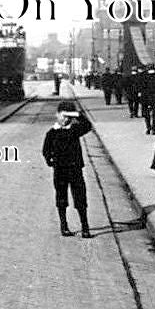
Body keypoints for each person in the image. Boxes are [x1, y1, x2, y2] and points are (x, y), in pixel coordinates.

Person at [42, 100, 93, 238]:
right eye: (63, 116)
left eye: (68, 117)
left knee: (80, 198)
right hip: (60, 170)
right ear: (57, 115)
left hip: (75, 169)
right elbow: (46, 150)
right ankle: (64, 226)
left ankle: (85, 227)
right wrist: (50, 160)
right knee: (61, 197)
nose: (65, 119)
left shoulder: (75, 130)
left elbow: (88, 126)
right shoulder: (52, 133)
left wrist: (76, 114)